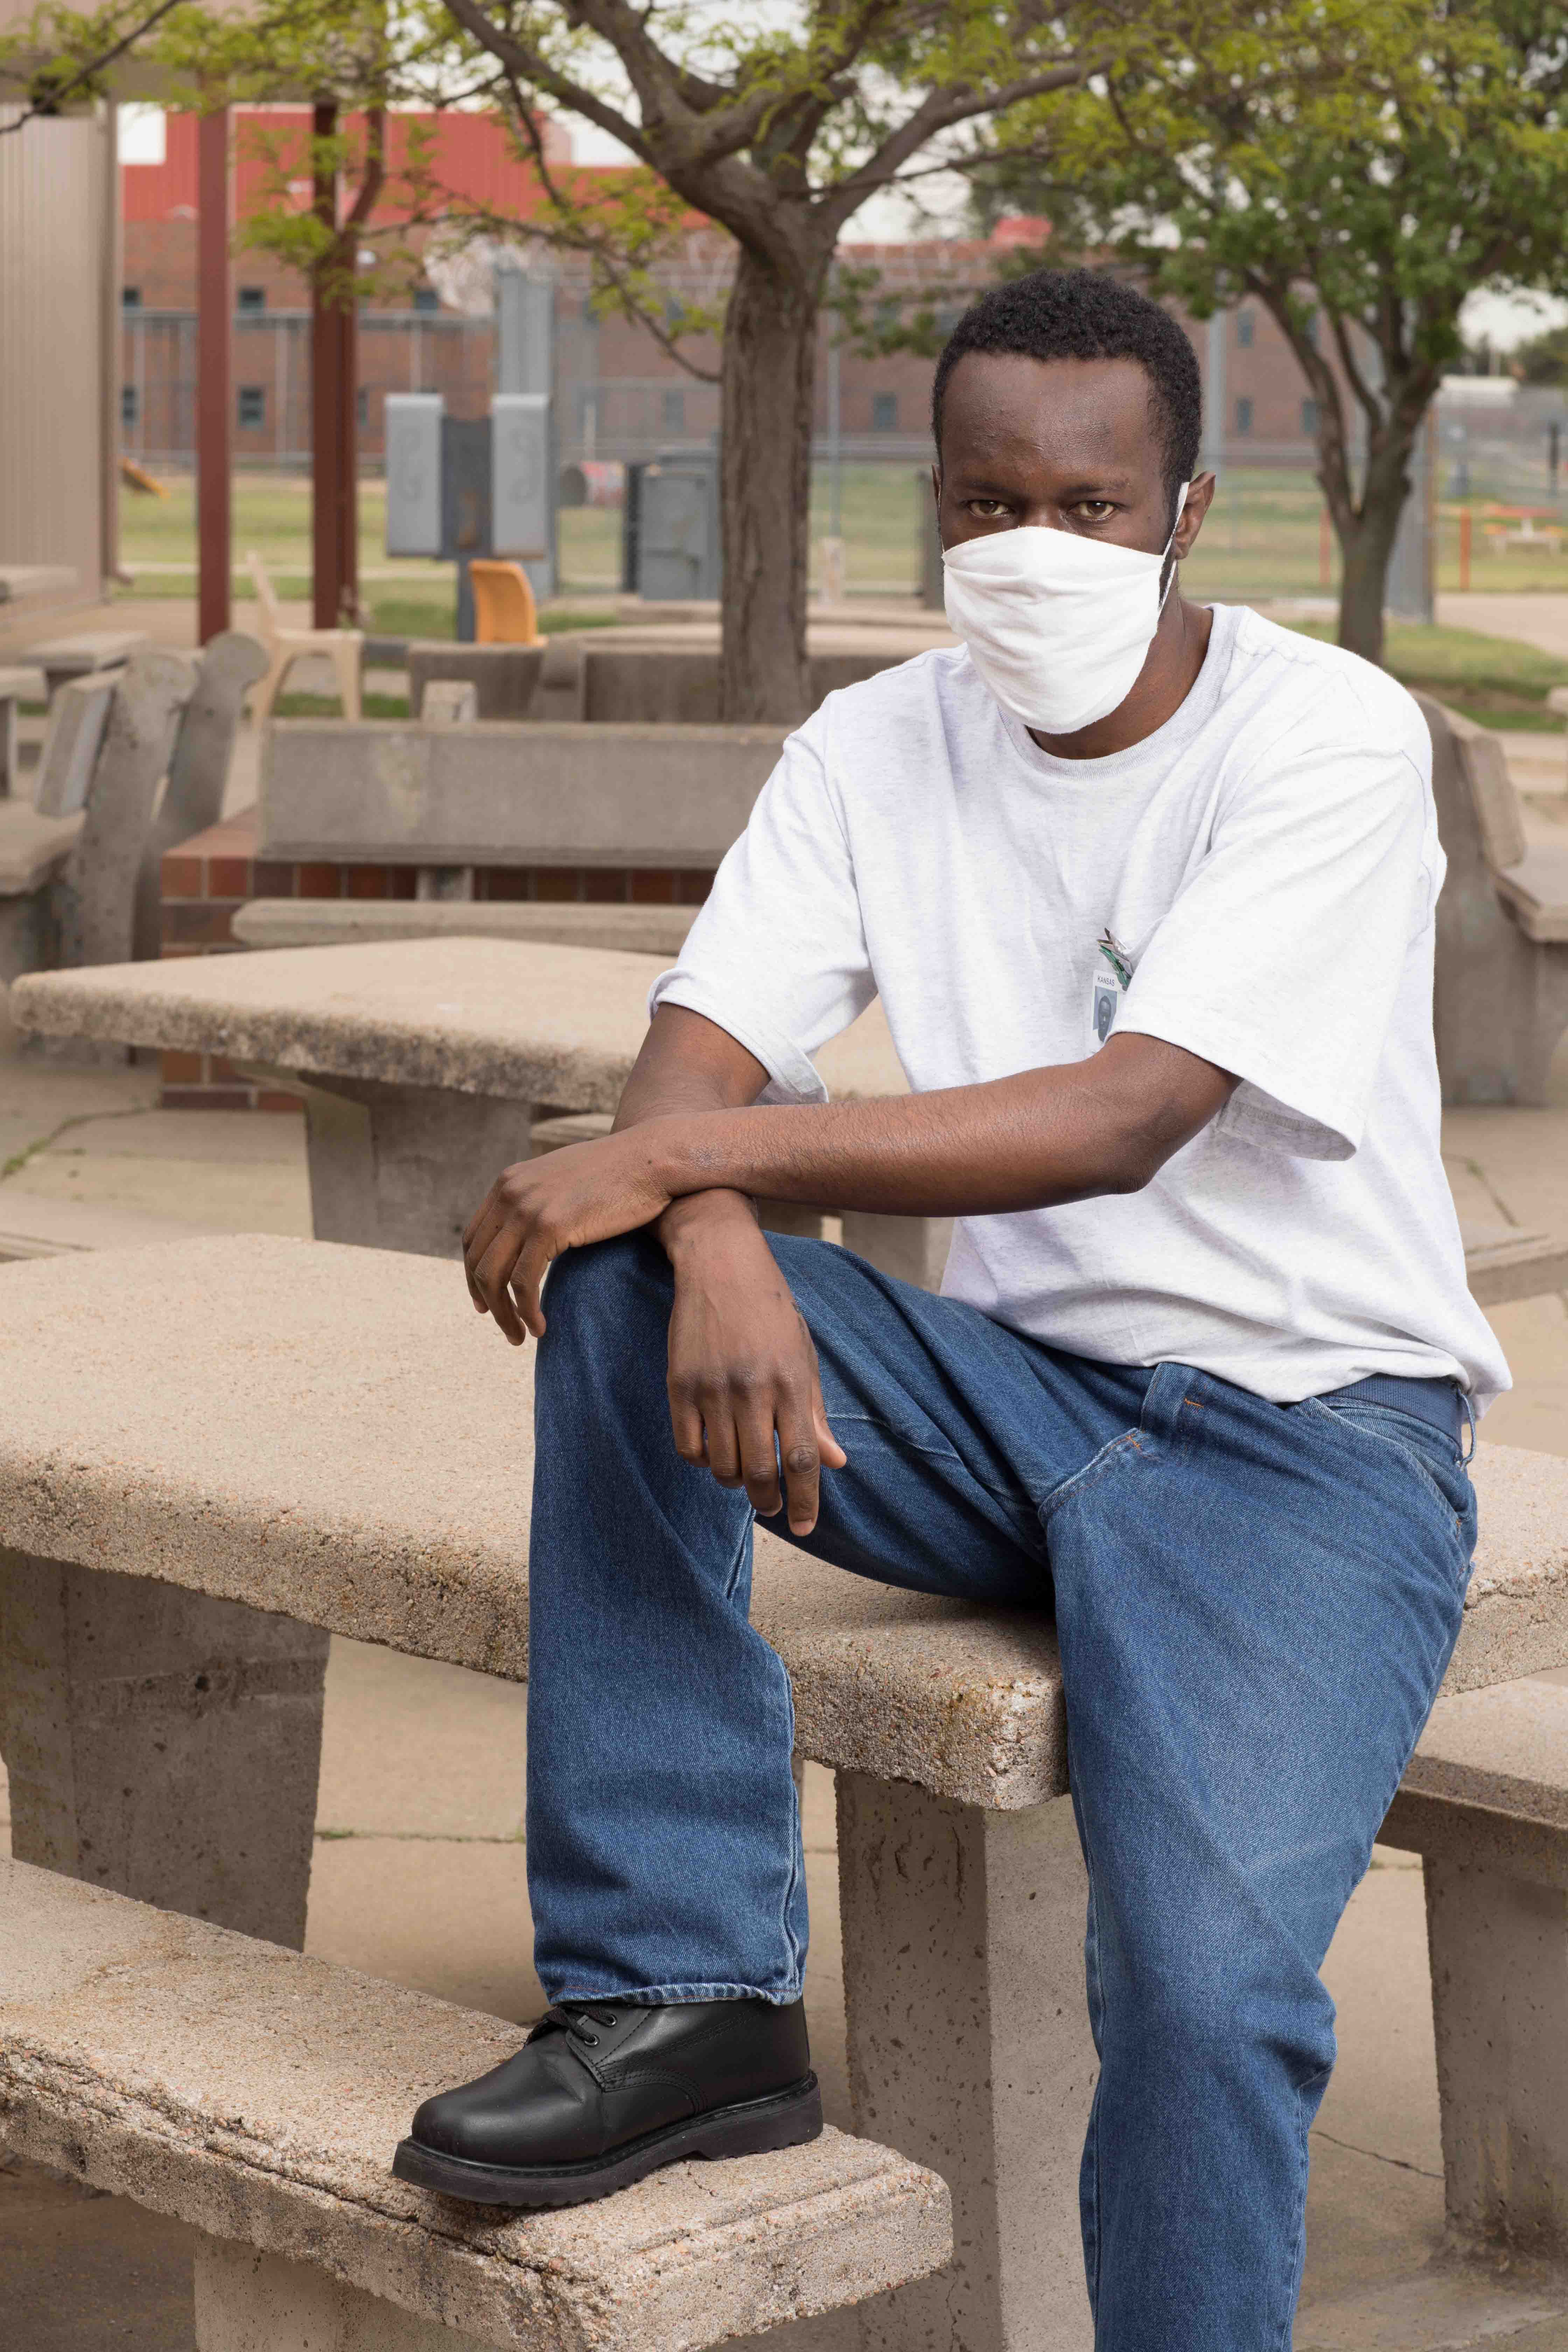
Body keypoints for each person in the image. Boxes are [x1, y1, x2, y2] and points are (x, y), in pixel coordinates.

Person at [393, 268, 1508, 2349]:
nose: (1036, 545)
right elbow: (697, 1060)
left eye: (1089, 505)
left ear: (1186, 510)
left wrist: (685, 1171)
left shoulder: (1327, 734)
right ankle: (686, 1993)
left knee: (1208, 2000)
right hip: (1016, 1404)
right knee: (629, 1265)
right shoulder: (877, 743)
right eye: (990, 500)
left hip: (1309, 1442)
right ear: (934, 503)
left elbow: (1126, 1114)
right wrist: (699, 1214)